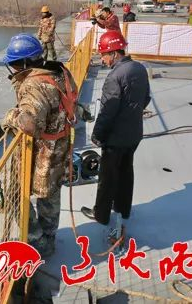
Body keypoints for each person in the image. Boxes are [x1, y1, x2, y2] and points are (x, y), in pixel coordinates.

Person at [1, 34, 77, 257]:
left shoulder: (34, 84)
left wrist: (11, 116)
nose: (14, 69)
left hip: (41, 153)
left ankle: (35, 240)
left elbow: (30, 124)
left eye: (15, 64)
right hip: (60, 148)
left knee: (15, 196)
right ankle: (49, 238)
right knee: (50, 195)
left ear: (25, 63)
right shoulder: (59, 72)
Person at [81, 32, 150, 238]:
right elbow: (146, 98)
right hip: (134, 133)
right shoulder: (139, 68)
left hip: (115, 137)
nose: (102, 59)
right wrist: (131, 114)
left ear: (113, 53)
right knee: (126, 172)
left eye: (103, 55)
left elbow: (108, 111)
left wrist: (97, 134)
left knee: (107, 177)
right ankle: (123, 209)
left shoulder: (115, 76)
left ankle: (101, 214)